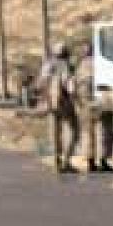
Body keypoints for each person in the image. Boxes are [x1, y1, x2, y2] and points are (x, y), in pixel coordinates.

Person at [38, 43, 81, 174]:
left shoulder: (47, 65)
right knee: (73, 130)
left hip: (50, 103)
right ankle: (66, 161)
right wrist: (76, 99)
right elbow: (70, 85)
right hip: (64, 102)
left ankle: (55, 161)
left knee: (54, 132)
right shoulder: (65, 65)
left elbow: (40, 83)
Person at [76, 43, 113, 173]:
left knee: (88, 133)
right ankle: (103, 161)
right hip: (99, 103)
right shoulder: (100, 64)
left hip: (85, 104)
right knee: (102, 132)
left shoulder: (80, 67)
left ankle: (91, 162)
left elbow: (75, 86)